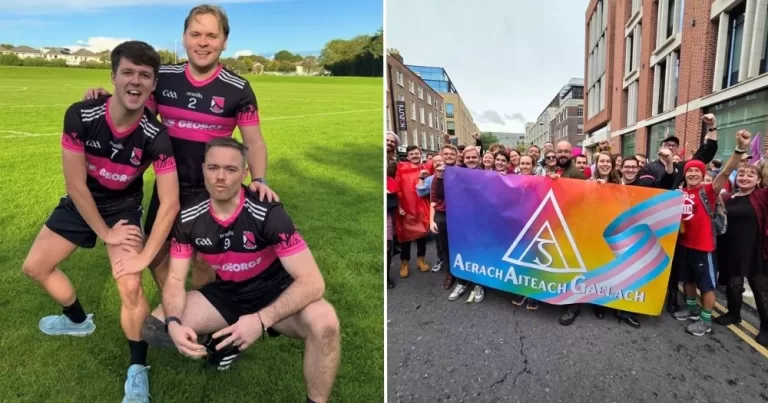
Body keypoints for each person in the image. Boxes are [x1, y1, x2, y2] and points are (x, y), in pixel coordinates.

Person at [22, 41, 179, 403]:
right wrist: (104, 233)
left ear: (153, 84)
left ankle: (137, 370)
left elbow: (169, 203)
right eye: (128, 72)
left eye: (145, 75)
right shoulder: (80, 115)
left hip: (122, 208)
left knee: (130, 288)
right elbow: (75, 185)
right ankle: (77, 319)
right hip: (83, 202)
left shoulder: (157, 137)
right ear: (113, 76)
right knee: (34, 267)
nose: (136, 81)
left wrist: (141, 256)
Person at [84, 4, 278, 292]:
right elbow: (137, 115)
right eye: (196, 33)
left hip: (213, 188)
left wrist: (259, 180)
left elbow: (254, 141)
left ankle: (200, 319)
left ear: (224, 42)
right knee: (155, 252)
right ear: (184, 37)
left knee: (204, 261)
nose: (203, 42)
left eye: (212, 36)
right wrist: (108, 100)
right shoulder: (164, 77)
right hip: (169, 185)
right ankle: (176, 309)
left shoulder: (238, 88)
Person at [146, 138, 340, 403]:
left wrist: (261, 320)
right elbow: (176, 278)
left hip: (274, 291)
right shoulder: (189, 217)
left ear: (245, 173)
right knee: (155, 325)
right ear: (203, 169)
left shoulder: (268, 213)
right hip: (229, 293)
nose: (220, 177)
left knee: (326, 323)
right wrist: (174, 323)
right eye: (213, 168)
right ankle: (225, 343)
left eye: (230, 169)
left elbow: (313, 282)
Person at [672, 129, 751, 336]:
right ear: (685, 174)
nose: (693, 174)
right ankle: (691, 309)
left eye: (697, 171)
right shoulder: (679, 194)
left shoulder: (708, 190)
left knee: (706, 285)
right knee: (687, 280)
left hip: (704, 247)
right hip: (684, 244)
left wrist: (740, 149)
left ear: (703, 173)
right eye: (690, 171)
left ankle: (705, 320)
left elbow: (725, 172)